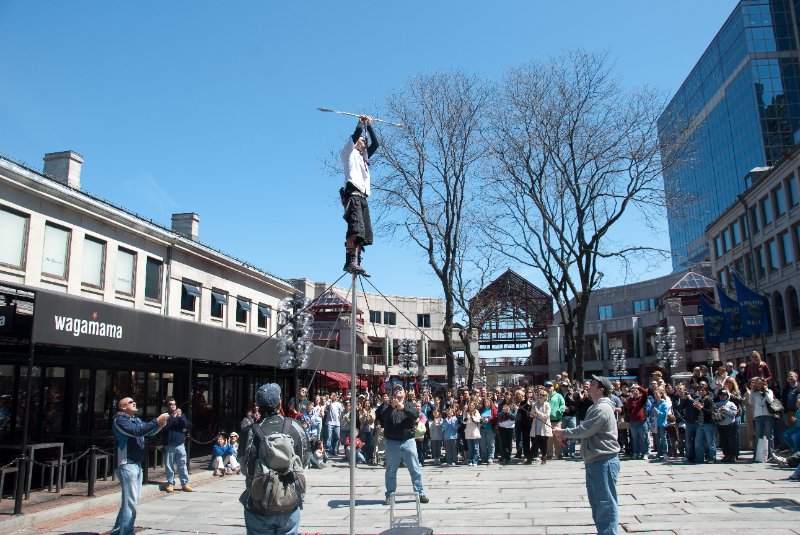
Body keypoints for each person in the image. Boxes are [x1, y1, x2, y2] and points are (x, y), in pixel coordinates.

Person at [239, 383, 309, 535]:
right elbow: (304, 462)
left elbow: (244, 468)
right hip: (289, 503)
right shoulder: (296, 427)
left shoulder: (248, 432)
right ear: (280, 402)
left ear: (257, 405)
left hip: (258, 506)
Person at [554, 375, 621, 535]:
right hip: (594, 460)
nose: (589, 385)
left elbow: (586, 430)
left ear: (601, 390)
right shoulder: (594, 407)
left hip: (604, 460)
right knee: (597, 502)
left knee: (605, 502)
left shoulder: (602, 408)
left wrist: (563, 432)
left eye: (593, 383)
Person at [111, 397, 169, 535]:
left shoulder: (135, 420)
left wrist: (159, 425)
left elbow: (146, 432)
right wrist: (156, 420)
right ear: (123, 407)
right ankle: (126, 532)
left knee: (132, 500)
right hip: (126, 464)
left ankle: (118, 530)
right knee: (130, 501)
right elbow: (136, 431)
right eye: (130, 402)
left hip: (136, 464)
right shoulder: (120, 420)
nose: (134, 403)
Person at [375, 384, 428, 505]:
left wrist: (403, 408)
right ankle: (390, 494)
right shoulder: (387, 405)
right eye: (396, 390)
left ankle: (420, 493)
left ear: (404, 393)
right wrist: (392, 407)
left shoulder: (409, 404)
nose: (398, 391)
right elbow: (382, 417)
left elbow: (415, 416)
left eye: (400, 389)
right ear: (393, 394)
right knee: (391, 470)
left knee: (414, 468)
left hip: (408, 441)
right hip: (392, 442)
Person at [340, 115, 380, 275]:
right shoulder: (348, 153)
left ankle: (357, 261)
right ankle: (349, 262)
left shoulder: (364, 158)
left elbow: (376, 144)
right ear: (355, 143)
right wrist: (360, 123)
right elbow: (355, 135)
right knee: (355, 229)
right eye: (361, 141)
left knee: (363, 234)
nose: (364, 142)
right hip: (353, 195)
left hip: (363, 197)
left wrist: (369, 126)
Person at [162, 397, 191, 492]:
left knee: (182, 464)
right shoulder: (165, 416)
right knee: (169, 465)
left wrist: (180, 416)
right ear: (167, 406)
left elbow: (186, 425)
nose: (173, 405)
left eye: (174, 404)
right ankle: (170, 483)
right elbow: (165, 428)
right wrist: (172, 418)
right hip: (169, 445)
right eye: (170, 404)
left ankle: (185, 483)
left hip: (180, 444)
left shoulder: (181, 415)